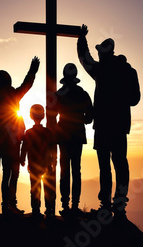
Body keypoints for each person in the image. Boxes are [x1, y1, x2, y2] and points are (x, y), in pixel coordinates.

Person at [77, 25, 140, 219]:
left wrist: (81, 38)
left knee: (104, 165)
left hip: (103, 125)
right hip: (120, 126)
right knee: (121, 163)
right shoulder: (129, 71)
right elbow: (135, 99)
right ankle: (119, 205)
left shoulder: (100, 69)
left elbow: (84, 58)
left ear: (103, 54)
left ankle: (105, 206)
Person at [0, 56, 40, 217]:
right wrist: (32, 71)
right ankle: (7, 206)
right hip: (9, 142)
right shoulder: (11, 95)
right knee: (8, 173)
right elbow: (26, 86)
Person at [56, 63, 93, 216]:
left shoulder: (59, 94)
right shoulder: (82, 93)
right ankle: (74, 206)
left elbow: (51, 113)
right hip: (77, 134)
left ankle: (65, 205)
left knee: (64, 170)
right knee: (76, 170)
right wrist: (81, 119)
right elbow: (90, 117)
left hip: (63, 134)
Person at [20, 104, 57, 218]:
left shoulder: (29, 133)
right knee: (48, 188)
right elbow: (52, 147)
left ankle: (36, 210)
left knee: (35, 188)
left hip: (33, 164)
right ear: (43, 116)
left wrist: (22, 159)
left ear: (31, 116)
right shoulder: (48, 132)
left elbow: (24, 147)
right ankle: (49, 209)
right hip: (46, 164)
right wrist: (54, 161)